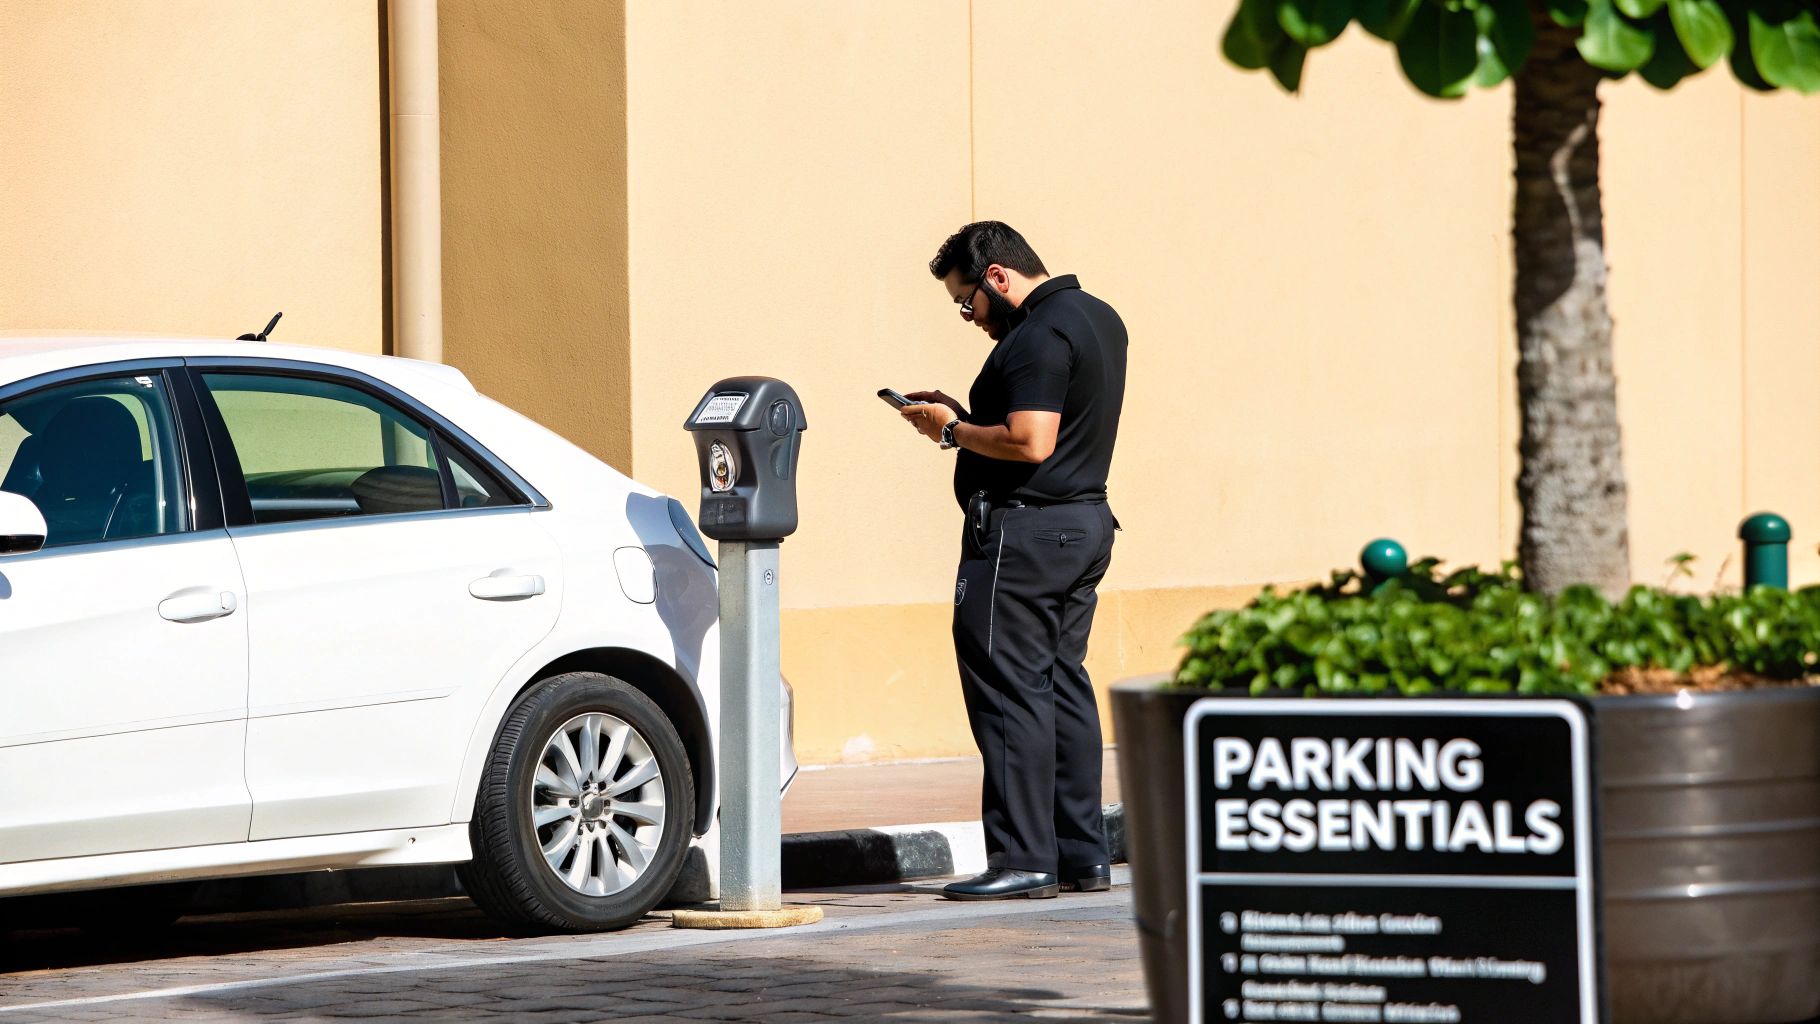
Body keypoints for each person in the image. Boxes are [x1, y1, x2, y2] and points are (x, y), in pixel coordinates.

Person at [901, 221, 1128, 900]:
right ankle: (1081, 854)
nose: (968, 317)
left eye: (966, 302)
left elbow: (1030, 443)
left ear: (998, 278)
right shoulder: (1097, 318)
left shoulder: (1034, 336)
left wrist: (950, 432)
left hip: (1023, 537)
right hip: (1083, 522)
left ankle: (1023, 859)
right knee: (1060, 682)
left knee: (1007, 688)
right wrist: (967, 418)